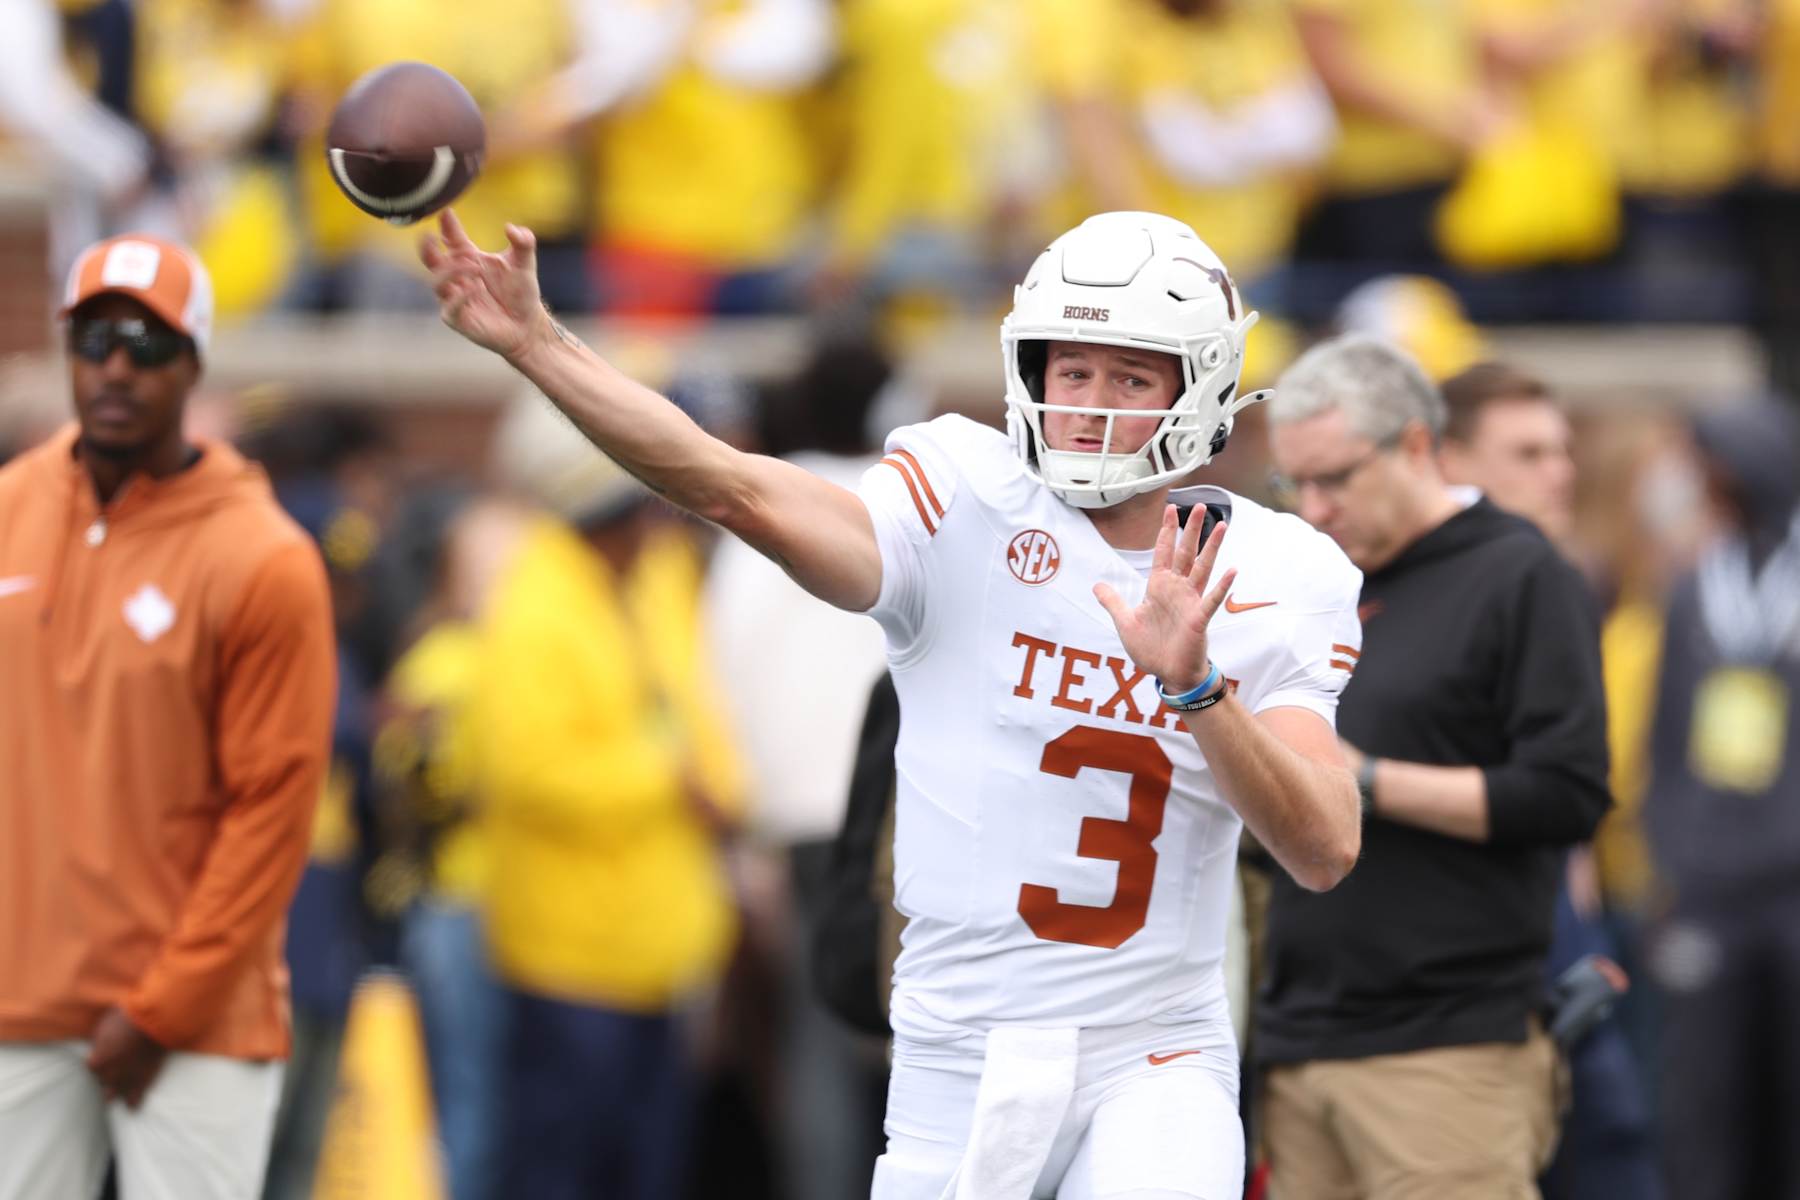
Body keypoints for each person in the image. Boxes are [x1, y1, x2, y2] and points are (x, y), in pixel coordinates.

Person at [421, 206, 1362, 1199]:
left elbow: (1325, 845)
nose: (1089, 405)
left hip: (1154, 1055)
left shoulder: (1273, 569)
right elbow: (731, 487)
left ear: (1201, 383)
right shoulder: (966, 498)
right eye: (1071, 370)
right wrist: (538, 344)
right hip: (955, 1052)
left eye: (1129, 377)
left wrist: (1198, 689)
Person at [0, 233, 336, 1198]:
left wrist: (164, 1007)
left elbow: (273, 810)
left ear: (192, 361)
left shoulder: (260, 556)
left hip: (198, 1018)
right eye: (95, 340)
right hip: (23, 998)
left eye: (146, 347)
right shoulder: (13, 506)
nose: (115, 368)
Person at [1258, 334, 1611, 1200]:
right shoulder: (1305, 579)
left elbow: (1568, 794)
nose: (1314, 506)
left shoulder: (1519, 571)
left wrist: (1361, 780)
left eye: (1335, 478)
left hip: (1448, 1049)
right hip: (1294, 1043)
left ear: (1417, 444)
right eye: (1294, 484)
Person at [1437, 360, 1661, 1200]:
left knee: (1615, 1151)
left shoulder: (1555, 585)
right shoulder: (1405, 601)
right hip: (1468, 984)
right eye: (1528, 453)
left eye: (1563, 450)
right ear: (1445, 456)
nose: (1558, 472)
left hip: (1565, 947)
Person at [1644, 397, 1800, 1200]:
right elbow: (1666, 740)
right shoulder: (1698, 586)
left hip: (1792, 894)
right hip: (1710, 891)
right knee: (1703, 1110)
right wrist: (1672, 854)